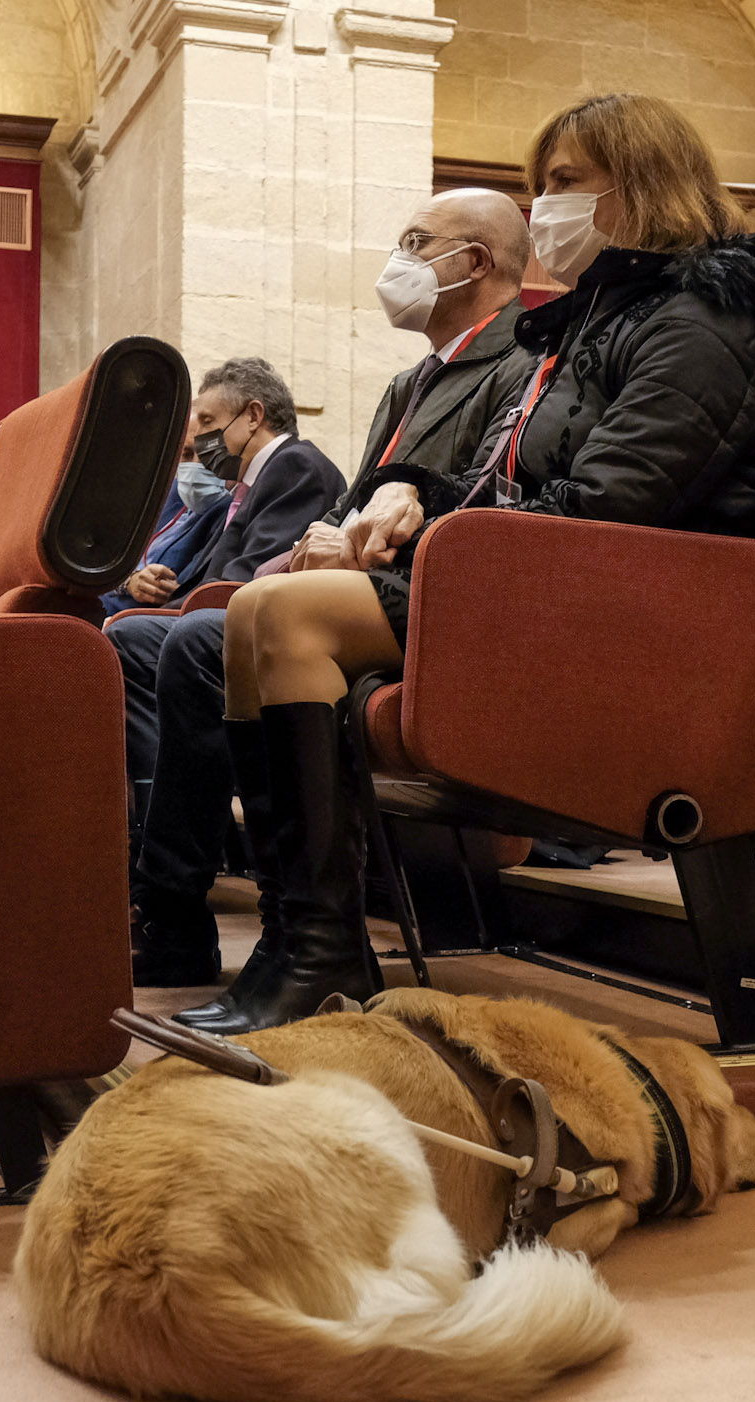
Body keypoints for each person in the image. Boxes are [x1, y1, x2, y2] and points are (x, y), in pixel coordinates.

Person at [207, 92, 755, 1032]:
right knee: (254, 613)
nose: (543, 211)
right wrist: (417, 498)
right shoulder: (592, 322)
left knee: (288, 617)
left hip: (628, 612)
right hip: (545, 575)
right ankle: (300, 938)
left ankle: (324, 950)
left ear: (642, 185)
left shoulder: (703, 318)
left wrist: (446, 536)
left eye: (565, 183)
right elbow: (511, 477)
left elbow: (616, 502)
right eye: (537, 188)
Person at [163, 187, 538, 1019]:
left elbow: (486, 493)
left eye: (416, 241)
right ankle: (285, 931)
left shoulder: (523, 360)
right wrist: (317, 541)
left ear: (474, 262)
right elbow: (356, 503)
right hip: (378, 577)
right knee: (211, 629)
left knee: (225, 631)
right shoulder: (410, 381)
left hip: (439, 588)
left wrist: (370, 535)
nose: (397, 259)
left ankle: (306, 942)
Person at [106, 358, 342, 891]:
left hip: (271, 629)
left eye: (209, 426)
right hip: (229, 616)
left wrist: (159, 611)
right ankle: (145, 844)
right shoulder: (246, 488)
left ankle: (157, 852)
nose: (204, 444)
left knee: (135, 638)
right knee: (128, 634)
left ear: (253, 415)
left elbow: (250, 577)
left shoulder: (296, 465)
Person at [101, 434, 231, 618]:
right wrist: (129, 580)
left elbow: (184, 591)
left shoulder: (227, 510)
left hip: (131, 618)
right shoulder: (169, 491)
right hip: (104, 599)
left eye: (207, 455)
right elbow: (107, 556)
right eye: (186, 454)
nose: (194, 466)